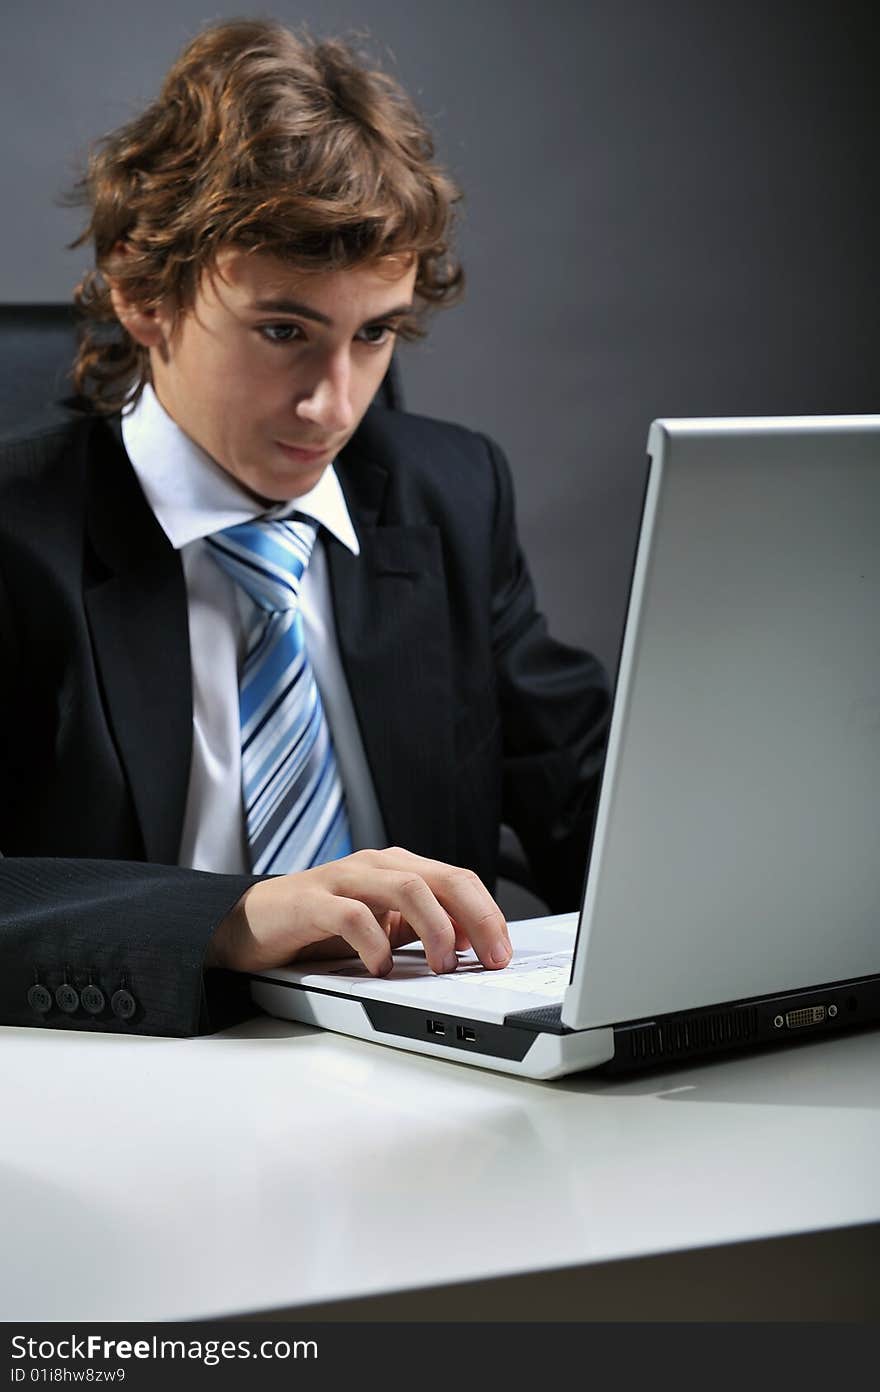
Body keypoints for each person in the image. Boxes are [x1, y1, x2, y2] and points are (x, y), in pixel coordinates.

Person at [0, 18, 609, 1037]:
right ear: (143, 293)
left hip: (425, 1079)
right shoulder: (18, 539)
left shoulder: (452, 494)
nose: (334, 403)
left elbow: (594, 801)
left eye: (372, 335)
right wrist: (229, 917)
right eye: (283, 331)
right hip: (124, 1090)